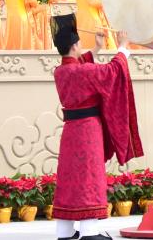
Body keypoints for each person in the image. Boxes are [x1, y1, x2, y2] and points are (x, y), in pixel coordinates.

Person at [51, 16, 143, 240]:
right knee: (88, 177)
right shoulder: (82, 72)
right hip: (87, 131)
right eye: (79, 44)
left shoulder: (60, 71)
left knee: (69, 180)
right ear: (75, 46)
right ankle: (89, 231)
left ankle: (64, 231)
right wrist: (122, 48)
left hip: (71, 131)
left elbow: (79, 66)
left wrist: (97, 48)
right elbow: (112, 71)